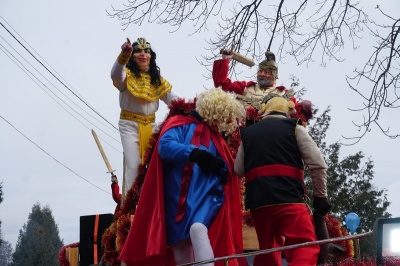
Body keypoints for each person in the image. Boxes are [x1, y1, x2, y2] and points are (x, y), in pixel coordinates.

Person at [118, 87, 247, 266]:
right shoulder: (178, 124)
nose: (221, 124)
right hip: (177, 199)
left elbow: (227, 172)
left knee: (198, 228)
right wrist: (193, 153)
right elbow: (165, 147)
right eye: (220, 118)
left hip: (207, 196)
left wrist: (220, 167)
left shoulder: (216, 138)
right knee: (181, 247)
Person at [234, 96, 332, 266]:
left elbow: (238, 170)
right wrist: (320, 197)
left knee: (268, 252)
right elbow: (318, 164)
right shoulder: (295, 127)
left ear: (264, 110)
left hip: (260, 206)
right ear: (288, 111)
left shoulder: (248, 133)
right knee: (304, 246)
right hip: (289, 200)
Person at [111, 37, 178, 198]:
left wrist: (195, 108)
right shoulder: (126, 75)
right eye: (138, 51)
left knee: (158, 165)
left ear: (151, 56)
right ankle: (131, 210)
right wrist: (123, 55)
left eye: (146, 51)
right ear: (132, 55)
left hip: (152, 125)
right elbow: (115, 74)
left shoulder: (157, 80)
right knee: (134, 166)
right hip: (129, 124)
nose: (142, 54)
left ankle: (155, 207)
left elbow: (174, 100)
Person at [212, 50, 312, 127]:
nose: (261, 74)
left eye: (266, 72)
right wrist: (225, 61)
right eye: (260, 71)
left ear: (275, 75)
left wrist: (304, 109)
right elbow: (221, 84)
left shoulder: (284, 94)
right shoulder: (246, 88)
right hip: (244, 134)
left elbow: (296, 120)